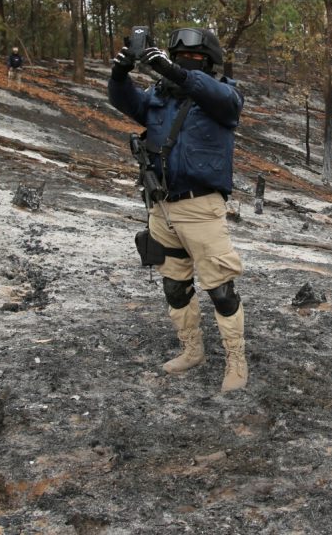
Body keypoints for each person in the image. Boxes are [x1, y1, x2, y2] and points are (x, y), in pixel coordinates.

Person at [107, 27, 248, 393]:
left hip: (201, 208)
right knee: (174, 286)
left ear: (210, 61)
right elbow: (127, 103)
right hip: (162, 206)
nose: (187, 61)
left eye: (195, 57)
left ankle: (236, 360)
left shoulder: (224, 97)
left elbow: (221, 98)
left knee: (221, 290)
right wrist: (119, 74)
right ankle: (192, 350)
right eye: (179, 57)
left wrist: (178, 74)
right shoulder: (159, 97)